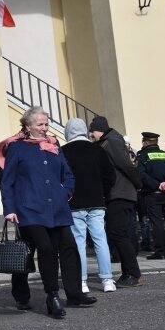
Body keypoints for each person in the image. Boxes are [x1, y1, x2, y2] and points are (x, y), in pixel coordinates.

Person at [0, 106, 95, 318]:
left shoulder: (54, 144)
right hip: (29, 209)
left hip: (57, 207)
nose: (44, 128)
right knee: (44, 248)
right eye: (39, 124)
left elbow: (67, 174)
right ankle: (50, 296)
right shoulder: (16, 147)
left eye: (46, 124)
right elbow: (8, 181)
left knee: (69, 247)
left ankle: (75, 293)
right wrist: (10, 208)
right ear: (28, 126)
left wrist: (65, 191)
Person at [61, 118, 117, 293]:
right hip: (96, 201)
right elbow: (110, 176)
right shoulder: (98, 150)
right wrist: (102, 192)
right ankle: (107, 280)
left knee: (79, 242)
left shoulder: (63, 151)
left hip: (74, 202)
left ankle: (82, 281)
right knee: (101, 240)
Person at [88, 116, 144, 288]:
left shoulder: (111, 142)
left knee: (117, 233)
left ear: (100, 130)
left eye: (92, 131)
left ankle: (133, 274)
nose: (90, 134)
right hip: (120, 193)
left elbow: (125, 165)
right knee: (122, 234)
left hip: (119, 194)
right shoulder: (109, 141)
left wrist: (138, 183)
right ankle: (129, 273)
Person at [137, 131, 165, 260]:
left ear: (145, 142)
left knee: (156, 223)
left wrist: (157, 185)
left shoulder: (143, 157)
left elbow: (141, 175)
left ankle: (160, 252)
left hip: (153, 194)